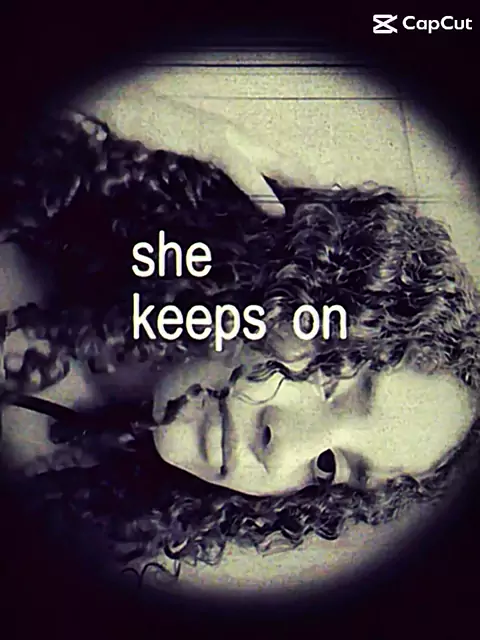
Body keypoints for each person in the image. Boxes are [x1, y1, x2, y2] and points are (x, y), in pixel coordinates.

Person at [0, 104, 479, 587]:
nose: (283, 448)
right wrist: (129, 110)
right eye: (333, 374)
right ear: (302, 280)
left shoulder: (86, 532)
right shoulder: (50, 198)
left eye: (328, 467)